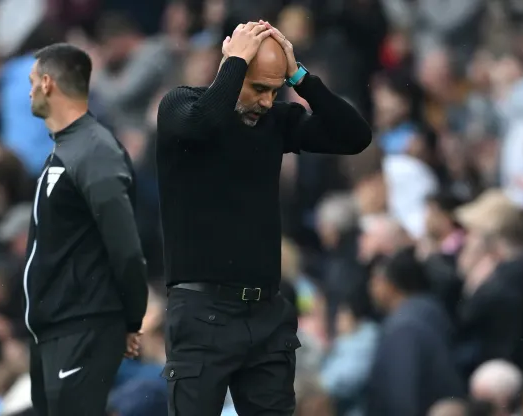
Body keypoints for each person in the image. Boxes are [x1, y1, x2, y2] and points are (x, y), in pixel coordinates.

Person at [155, 21, 372, 416]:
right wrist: (235, 61)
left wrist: (300, 77)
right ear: (231, 70)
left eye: (275, 89)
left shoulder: (275, 122)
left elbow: (354, 136)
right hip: (203, 311)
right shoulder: (179, 106)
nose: (268, 101)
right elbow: (202, 123)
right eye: (259, 88)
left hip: (265, 315)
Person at [24, 43, 149, 416]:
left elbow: (125, 246)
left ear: (47, 84)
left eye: (32, 82)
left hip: (83, 326)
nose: (28, 90)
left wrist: (132, 318)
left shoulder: (95, 150)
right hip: (54, 330)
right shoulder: (67, 149)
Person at [366, 247, 464, 416]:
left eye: (375, 280)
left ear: (389, 285)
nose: (371, 288)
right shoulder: (431, 310)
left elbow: (402, 396)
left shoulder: (404, 329)